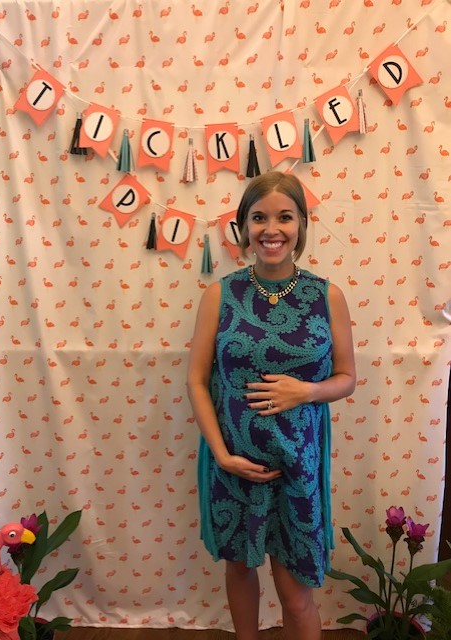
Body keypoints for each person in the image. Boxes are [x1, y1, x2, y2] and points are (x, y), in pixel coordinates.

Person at [187, 171, 356, 640]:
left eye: (285, 217)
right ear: (244, 225)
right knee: (240, 570)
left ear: (301, 224)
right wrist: (222, 456)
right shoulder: (220, 294)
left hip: (297, 467)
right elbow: (197, 381)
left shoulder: (327, 296)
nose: (271, 229)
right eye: (259, 217)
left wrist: (306, 392)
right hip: (234, 464)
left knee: (297, 596)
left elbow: (347, 378)